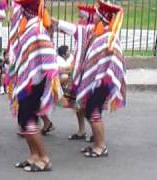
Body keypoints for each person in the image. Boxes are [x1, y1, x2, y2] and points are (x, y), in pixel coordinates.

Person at [52, 0, 126, 157]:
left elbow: (115, 61)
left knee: (93, 112)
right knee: (89, 111)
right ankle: (96, 143)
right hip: (94, 81)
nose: (95, 17)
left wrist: (103, 78)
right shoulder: (96, 32)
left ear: (103, 18)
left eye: (97, 15)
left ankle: (101, 146)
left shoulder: (109, 37)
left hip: (103, 82)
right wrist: (54, 22)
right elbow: (75, 30)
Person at [8, 0, 62, 172]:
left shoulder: (37, 30)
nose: (19, 13)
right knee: (23, 121)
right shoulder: (30, 27)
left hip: (34, 83)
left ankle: (44, 158)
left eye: (22, 9)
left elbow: (49, 54)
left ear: (27, 11)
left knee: (28, 120)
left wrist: (50, 77)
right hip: (28, 82)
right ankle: (33, 156)